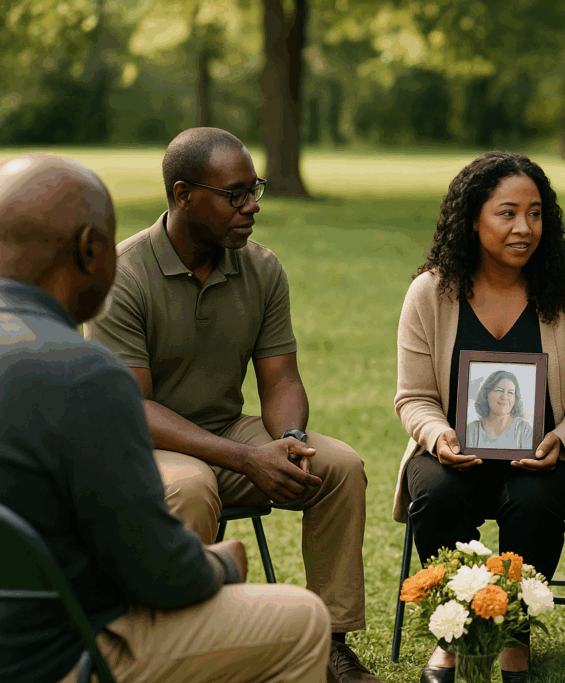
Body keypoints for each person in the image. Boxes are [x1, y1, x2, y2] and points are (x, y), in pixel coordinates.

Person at [0, 153, 330, 683]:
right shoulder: (84, 375)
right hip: (54, 656)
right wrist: (224, 564)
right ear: (91, 251)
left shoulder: (260, 267)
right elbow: (156, 571)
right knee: (301, 617)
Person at [84, 128, 378, 683]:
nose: (252, 207)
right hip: (145, 448)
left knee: (337, 466)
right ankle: (188, 647)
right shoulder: (124, 276)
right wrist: (247, 460)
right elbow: (133, 410)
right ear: (183, 195)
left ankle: (331, 645)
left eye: (254, 189)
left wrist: (288, 441)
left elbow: (281, 378)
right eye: (235, 194)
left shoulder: (261, 268)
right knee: (191, 485)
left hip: (226, 433)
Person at [394, 151, 565, 682]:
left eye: (536, 213)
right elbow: (413, 397)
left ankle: (513, 638)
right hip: (457, 452)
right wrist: (437, 436)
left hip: (553, 455)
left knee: (532, 498)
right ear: (473, 218)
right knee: (438, 494)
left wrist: (564, 439)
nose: (525, 228)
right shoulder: (431, 292)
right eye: (508, 213)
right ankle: (457, 635)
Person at [466, 370, 533, 449]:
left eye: (510, 392)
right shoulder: (472, 430)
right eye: (499, 390)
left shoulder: (524, 430)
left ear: (515, 398)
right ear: (487, 394)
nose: (504, 397)